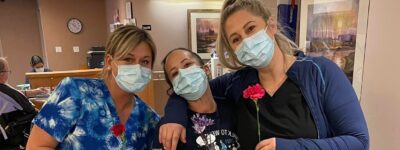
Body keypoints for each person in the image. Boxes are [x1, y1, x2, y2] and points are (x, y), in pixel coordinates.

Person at [159, 0, 369, 150]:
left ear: (270, 26)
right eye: (236, 39)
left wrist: (290, 147)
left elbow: (359, 141)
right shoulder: (238, 83)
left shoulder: (319, 73)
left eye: (250, 29)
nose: (246, 41)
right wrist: (173, 118)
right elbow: (193, 88)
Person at [27, 25, 160, 149]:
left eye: (145, 61)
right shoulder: (75, 92)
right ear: (109, 61)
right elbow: (36, 146)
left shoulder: (149, 119)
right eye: (128, 59)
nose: (137, 67)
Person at [153, 48, 239, 149]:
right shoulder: (170, 127)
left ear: (206, 69)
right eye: (175, 73)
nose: (183, 75)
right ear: (174, 87)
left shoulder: (234, 109)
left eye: (187, 65)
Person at [0, 57, 38, 149]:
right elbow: (30, 109)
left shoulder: (5, 90)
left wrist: (34, 92)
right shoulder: (5, 91)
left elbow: (16, 95)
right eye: (8, 71)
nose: (9, 73)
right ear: (2, 73)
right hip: (10, 137)